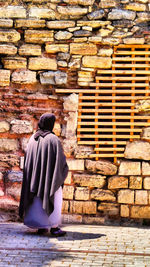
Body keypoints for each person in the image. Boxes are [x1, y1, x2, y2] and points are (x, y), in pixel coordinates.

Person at [19, 113, 68, 237]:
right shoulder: (53, 139)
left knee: (36, 200)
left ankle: (41, 226)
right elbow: (60, 162)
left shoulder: (32, 138)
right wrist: (62, 171)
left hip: (34, 180)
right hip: (49, 180)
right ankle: (54, 228)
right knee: (53, 198)